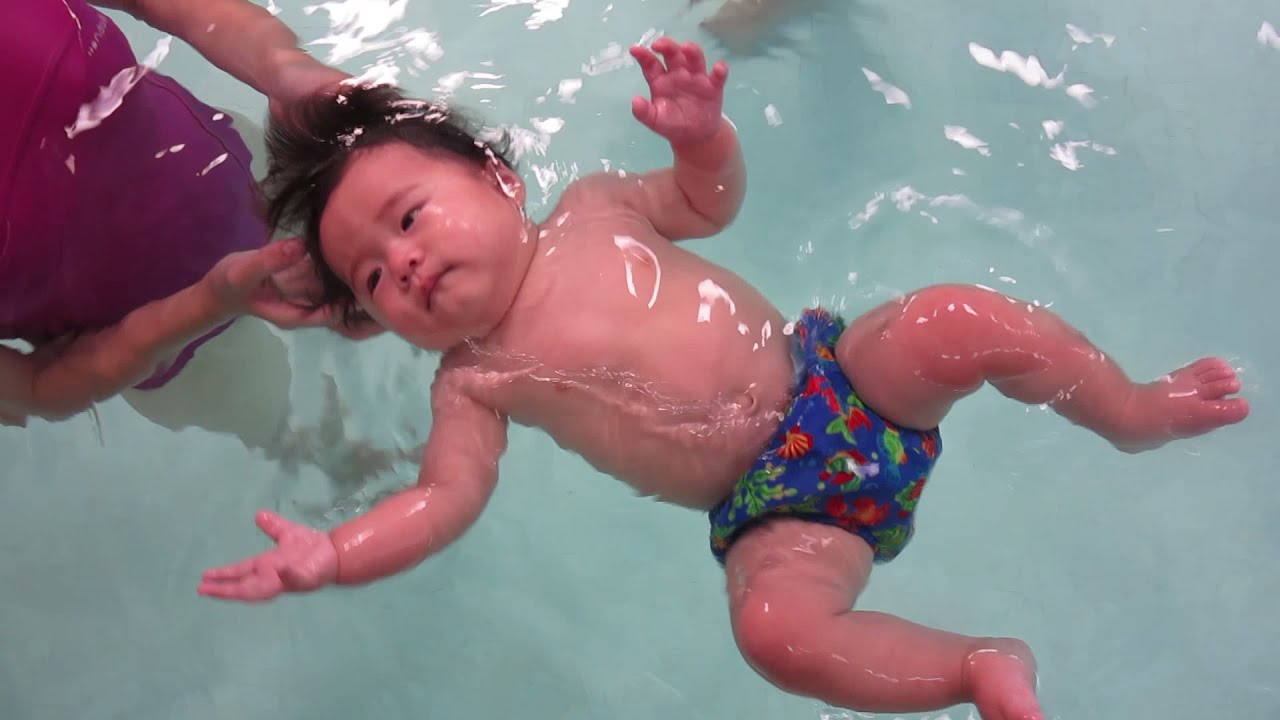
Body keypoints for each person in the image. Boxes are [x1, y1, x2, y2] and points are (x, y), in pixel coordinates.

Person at [196, 38, 1249, 720]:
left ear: (500, 182)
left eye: (410, 217)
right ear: (378, 321)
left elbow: (707, 207)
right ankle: (975, 667)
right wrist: (336, 553)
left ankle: (1132, 409)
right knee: (771, 637)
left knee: (953, 319)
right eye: (374, 277)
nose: (406, 263)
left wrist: (703, 141)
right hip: (775, 514)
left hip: (837, 383)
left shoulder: (600, 209)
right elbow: (441, 501)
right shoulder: (470, 386)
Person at [0, 0, 365, 429]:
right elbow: (38, 387)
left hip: (244, 173)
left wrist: (285, 69)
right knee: (313, 442)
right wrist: (207, 304)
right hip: (177, 349)